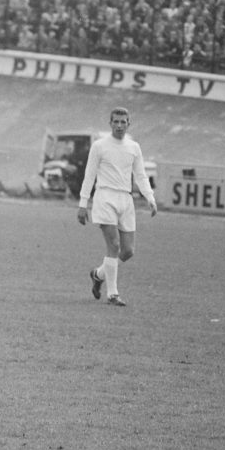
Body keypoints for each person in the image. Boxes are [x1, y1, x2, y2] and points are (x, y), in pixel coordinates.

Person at [77, 107, 158, 307]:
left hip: (126, 200)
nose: (119, 126)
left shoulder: (134, 147)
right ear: (110, 123)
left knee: (128, 250)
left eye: (123, 122)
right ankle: (112, 294)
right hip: (105, 197)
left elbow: (140, 174)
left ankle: (98, 275)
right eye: (116, 122)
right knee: (113, 245)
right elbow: (89, 175)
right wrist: (83, 203)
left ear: (129, 123)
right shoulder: (99, 146)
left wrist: (150, 197)